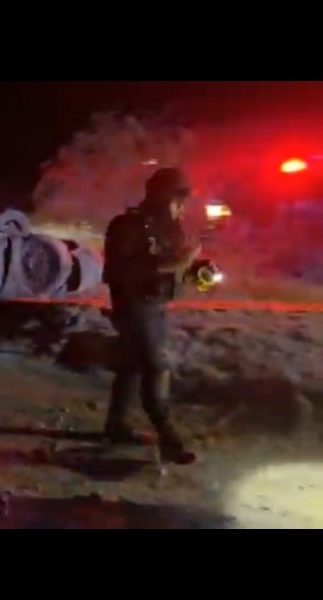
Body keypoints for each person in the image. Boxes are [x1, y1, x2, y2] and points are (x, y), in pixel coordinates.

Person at [101, 166, 200, 465]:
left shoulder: (169, 228)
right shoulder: (128, 225)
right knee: (155, 366)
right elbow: (124, 270)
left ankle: (117, 425)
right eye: (177, 196)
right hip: (133, 305)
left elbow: (172, 265)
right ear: (159, 194)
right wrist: (179, 263)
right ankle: (169, 437)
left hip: (156, 304)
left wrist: (194, 271)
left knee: (132, 363)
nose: (181, 204)